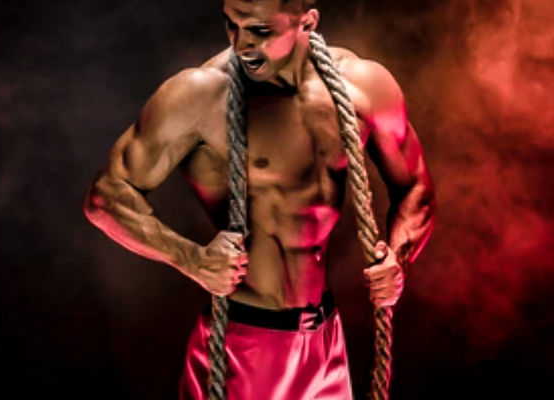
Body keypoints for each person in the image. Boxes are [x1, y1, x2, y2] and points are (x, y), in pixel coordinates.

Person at [83, 0, 436, 398]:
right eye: (232, 25)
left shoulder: (363, 87)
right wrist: (191, 259)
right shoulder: (200, 95)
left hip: (324, 344)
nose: (241, 44)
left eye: (260, 31)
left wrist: (398, 258)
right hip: (243, 347)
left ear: (307, 22)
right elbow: (105, 197)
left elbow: (416, 188)